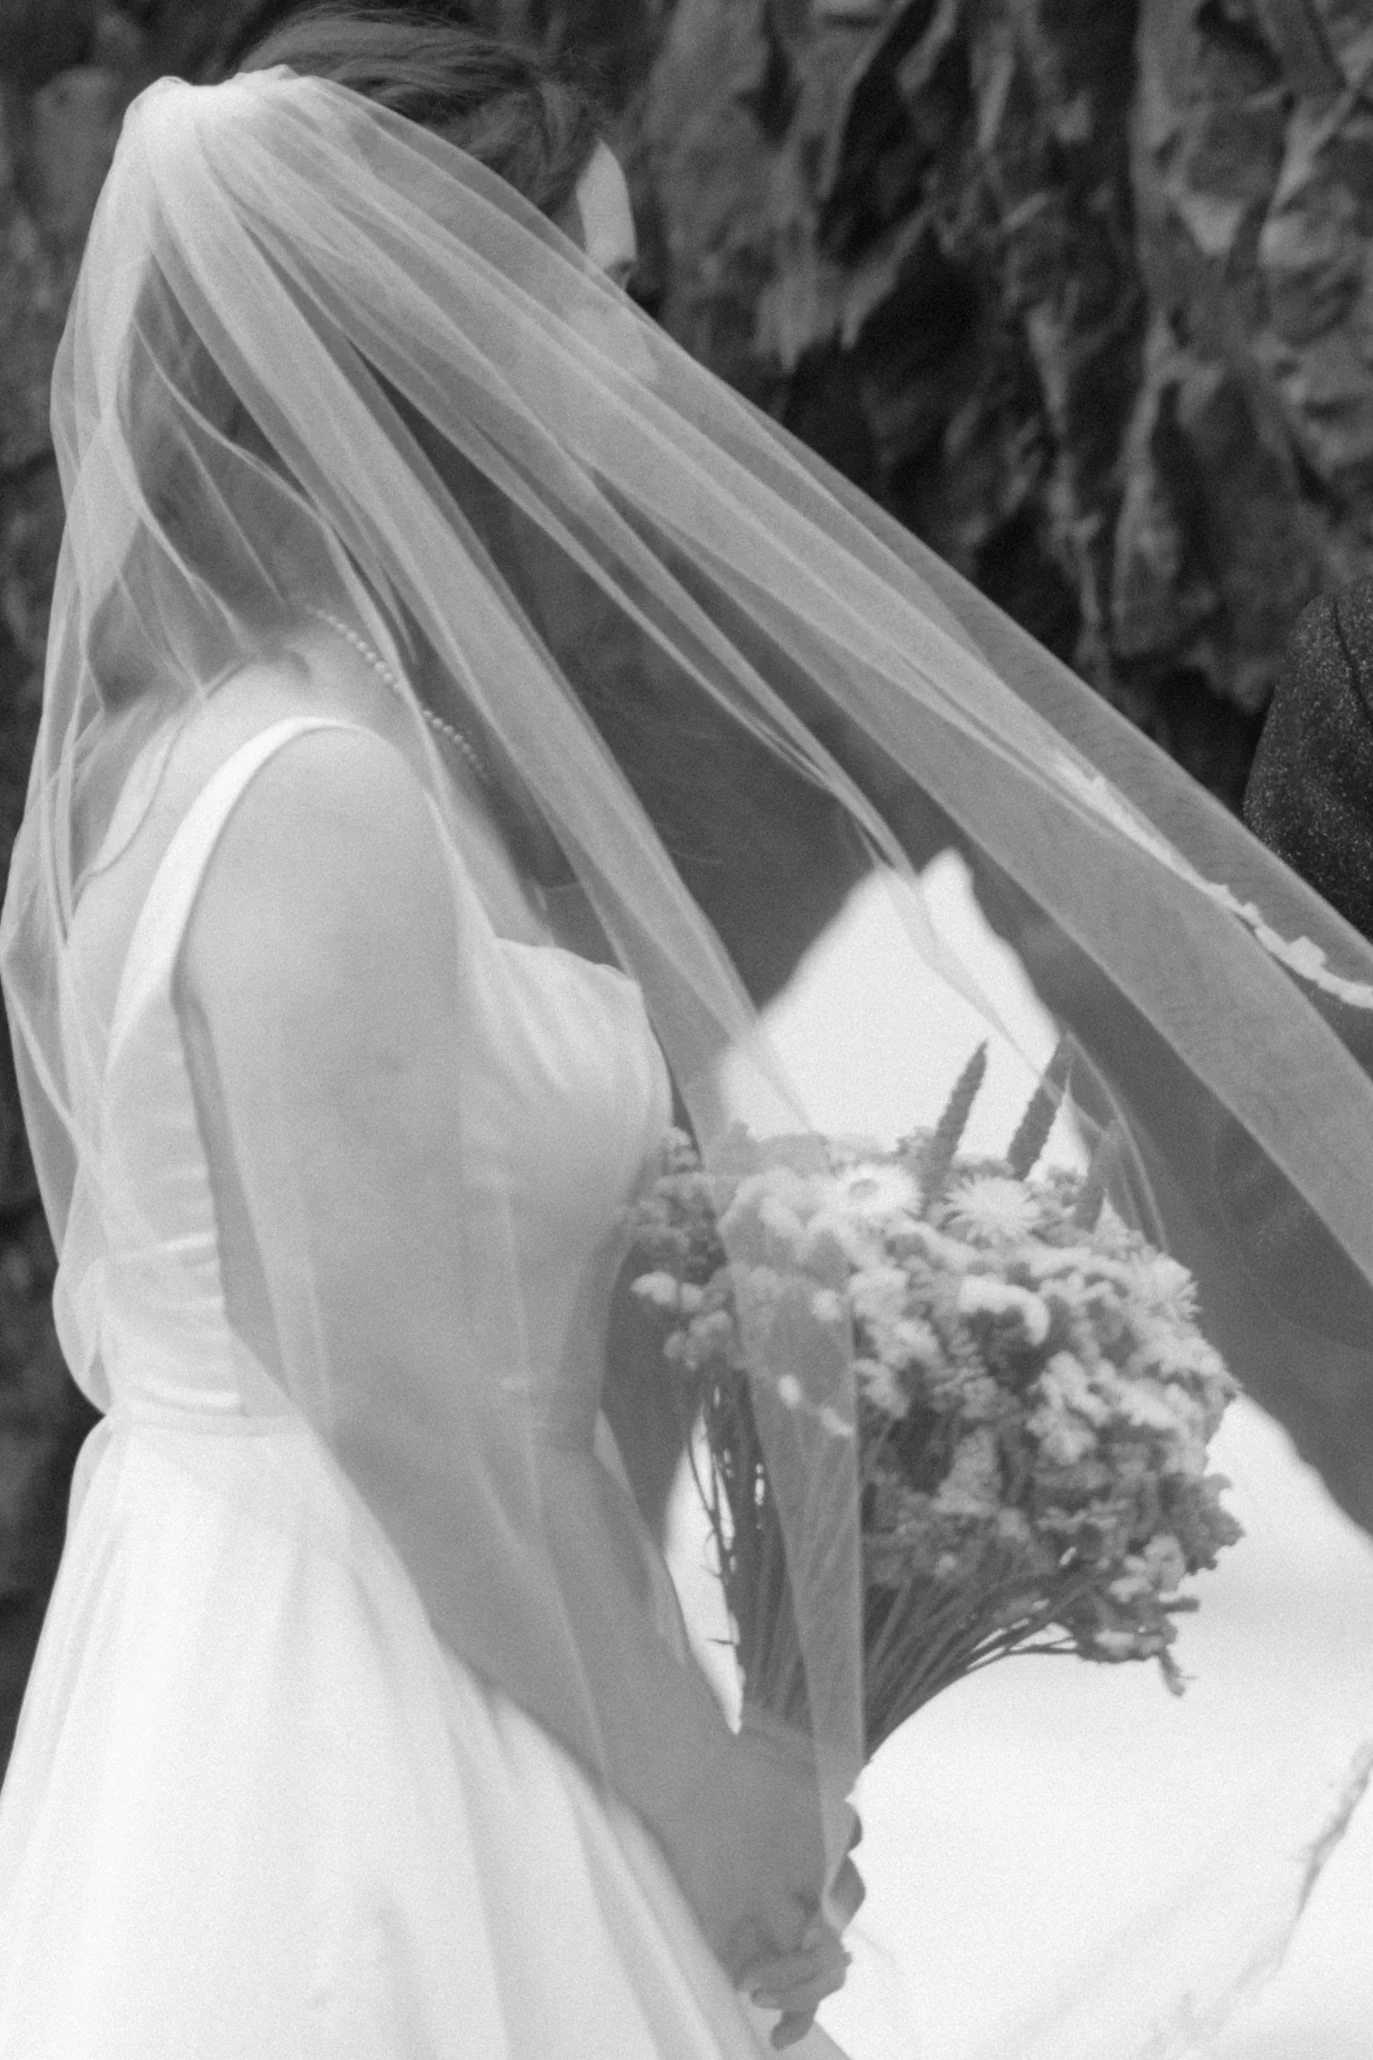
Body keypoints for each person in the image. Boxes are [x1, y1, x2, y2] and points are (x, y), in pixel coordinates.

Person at [0, 7, 1371, 2056]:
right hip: (354, 1703)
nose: (635, 359)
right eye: (598, 291)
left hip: (452, 1644)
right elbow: (398, 1406)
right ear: (435, 330)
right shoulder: (315, 791)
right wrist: (693, 1784)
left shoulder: (324, 747)